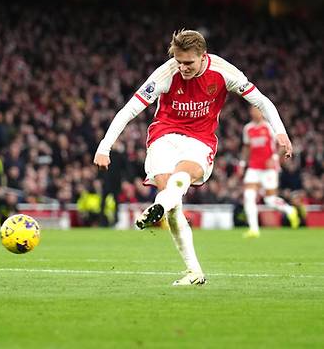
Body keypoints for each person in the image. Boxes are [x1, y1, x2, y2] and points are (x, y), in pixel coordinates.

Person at [93, 29, 292, 286]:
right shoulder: (166, 73)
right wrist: (104, 147)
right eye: (179, 61)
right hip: (164, 136)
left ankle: (159, 208)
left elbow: (262, 101)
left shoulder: (223, 72)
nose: (183, 67)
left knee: (181, 178)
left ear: (203, 56)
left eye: (188, 62)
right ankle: (194, 270)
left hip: (200, 140)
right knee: (173, 200)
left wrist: (281, 133)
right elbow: (129, 109)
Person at [240, 106, 299, 238]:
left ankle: (290, 210)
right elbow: (246, 147)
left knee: (270, 200)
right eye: (253, 110)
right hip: (253, 167)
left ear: (262, 112)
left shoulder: (269, 127)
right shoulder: (247, 128)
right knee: (249, 196)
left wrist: (275, 158)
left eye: (257, 110)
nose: (255, 112)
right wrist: (242, 163)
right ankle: (254, 230)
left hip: (269, 169)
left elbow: (283, 144)